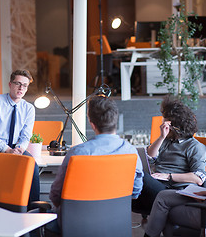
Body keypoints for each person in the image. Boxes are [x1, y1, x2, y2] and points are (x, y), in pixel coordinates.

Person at [49, 95, 144, 229]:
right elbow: (135, 192)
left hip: (76, 222)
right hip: (116, 221)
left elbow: (55, 195)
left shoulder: (78, 153)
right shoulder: (131, 151)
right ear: (115, 119)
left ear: (92, 123)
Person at [133, 96, 206, 212]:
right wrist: (162, 137)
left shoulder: (195, 146)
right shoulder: (166, 140)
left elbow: (198, 178)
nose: (162, 125)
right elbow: (150, 158)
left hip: (172, 188)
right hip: (157, 184)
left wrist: (168, 176)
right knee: (131, 177)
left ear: (175, 127)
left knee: (141, 177)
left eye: (165, 122)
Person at [0, 69, 40, 203]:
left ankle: (34, 210)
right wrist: (7, 150)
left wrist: (20, 149)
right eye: (18, 83)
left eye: (25, 85)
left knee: (32, 166)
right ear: (10, 84)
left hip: (17, 148)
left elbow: (26, 135)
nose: (21, 88)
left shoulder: (29, 108)